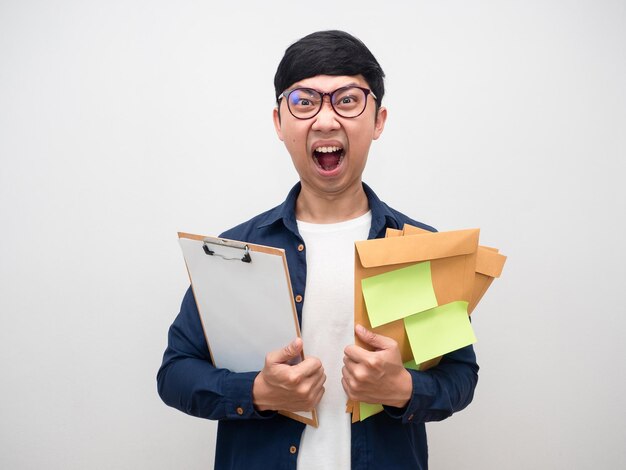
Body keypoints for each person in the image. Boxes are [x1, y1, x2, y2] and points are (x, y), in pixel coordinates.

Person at [157, 30, 478, 470]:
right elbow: (174, 373)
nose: (326, 121)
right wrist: (257, 393)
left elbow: (460, 376)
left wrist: (403, 388)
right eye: (305, 102)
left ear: (379, 120)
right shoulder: (234, 251)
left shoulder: (422, 248)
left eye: (347, 100)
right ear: (279, 122)